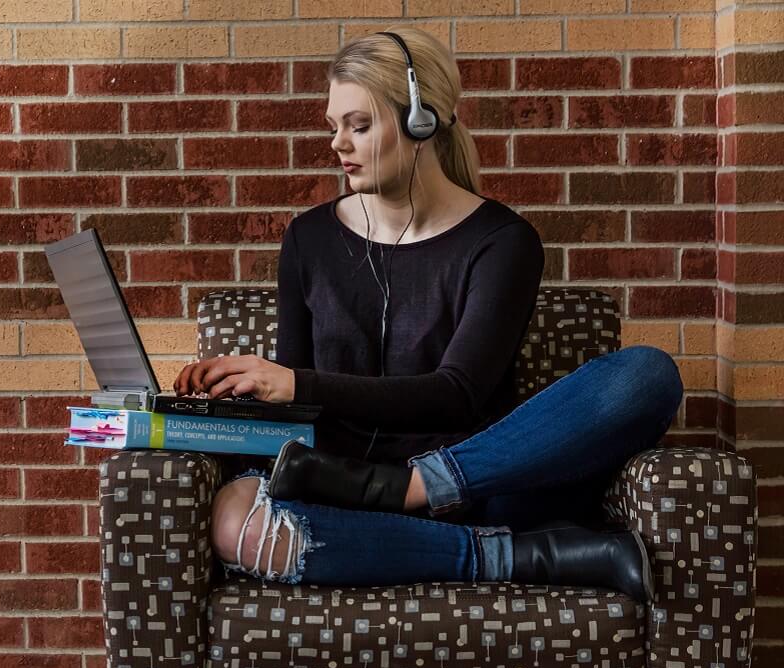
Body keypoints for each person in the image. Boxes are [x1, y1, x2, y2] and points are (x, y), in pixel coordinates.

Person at [173, 27, 682, 602]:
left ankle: (418, 490)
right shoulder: (307, 239)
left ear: (421, 120)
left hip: (481, 488)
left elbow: (457, 392)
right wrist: (203, 416)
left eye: (358, 126)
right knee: (235, 517)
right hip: (342, 489)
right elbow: (304, 413)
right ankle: (502, 553)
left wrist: (407, 478)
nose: (339, 143)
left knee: (648, 375)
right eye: (334, 126)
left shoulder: (503, 242)